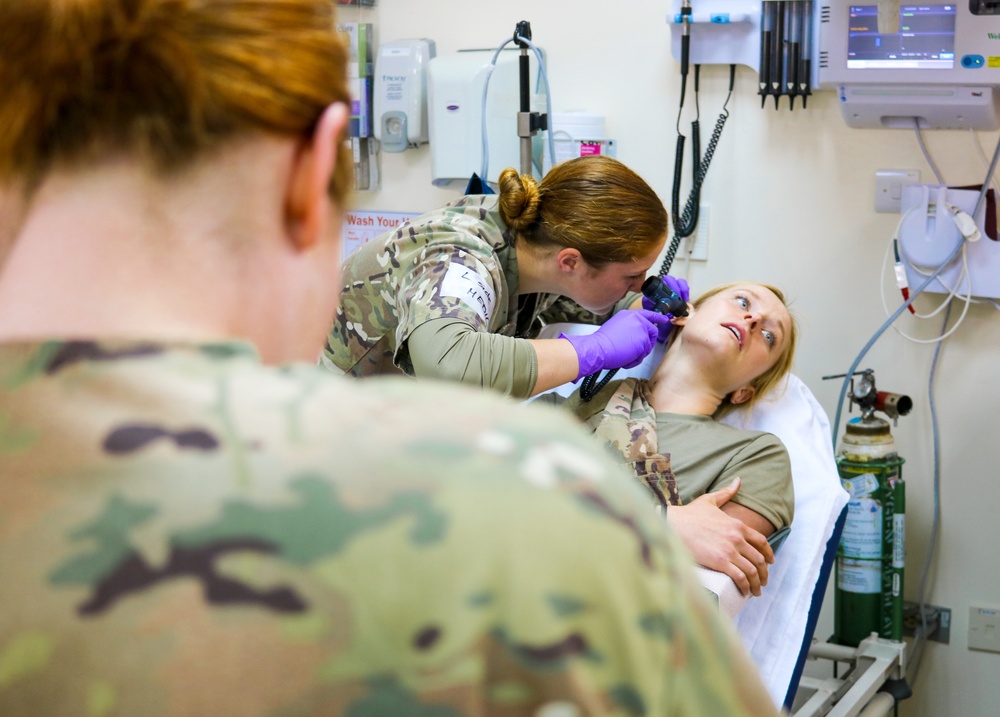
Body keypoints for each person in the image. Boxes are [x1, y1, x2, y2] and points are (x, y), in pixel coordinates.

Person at [0, 2, 781, 715]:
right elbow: (458, 359)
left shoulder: (757, 448)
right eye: (742, 302)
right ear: (312, 179)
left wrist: (620, 310)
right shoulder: (528, 489)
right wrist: (638, 493)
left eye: (770, 330)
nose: (746, 320)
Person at [322, 155, 677, 398]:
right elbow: (451, 364)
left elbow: (556, 301)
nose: (644, 281)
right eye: (632, 275)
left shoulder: (538, 242)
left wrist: (638, 305)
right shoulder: (459, 257)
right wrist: (594, 351)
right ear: (570, 262)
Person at [542, 281, 798, 599]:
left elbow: (691, 601)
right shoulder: (583, 400)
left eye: (770, 336)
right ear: (683, 314)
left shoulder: (756, 456)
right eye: (743, 302)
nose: (753, 320)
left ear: (746, 390)